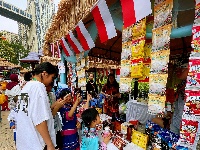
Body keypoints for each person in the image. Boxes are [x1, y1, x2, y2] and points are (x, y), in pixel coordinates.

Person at [16, 62, 58, 150]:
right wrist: (49, 144)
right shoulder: (38, 87)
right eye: (52, 77)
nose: (51, 81)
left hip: (26, 142)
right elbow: (39, 119)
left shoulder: (27, 86)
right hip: (36, 143)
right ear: (44, 74)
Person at [152, 61, 189, 134]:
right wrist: (170, 113)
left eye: (183, 68)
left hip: (184, 125)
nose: (180, 71)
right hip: (175, 121)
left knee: (154, 119)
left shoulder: (192, 88)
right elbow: (172, 102)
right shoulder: (180, 86)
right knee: (155, 118)